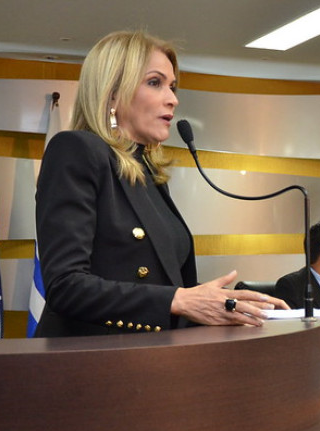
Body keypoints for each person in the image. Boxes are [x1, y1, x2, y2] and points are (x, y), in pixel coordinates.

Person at [35, 30, 286, 337]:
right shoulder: (76, 150)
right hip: (92, 358)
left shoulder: (147, 172)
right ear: (112, 92)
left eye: (172, 86)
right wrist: (179, 300)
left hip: (154, 356)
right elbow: (65, 286)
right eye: (155, 83)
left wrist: (228, 305)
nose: (173, 99)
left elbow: (166, 287)